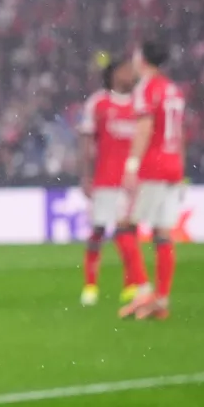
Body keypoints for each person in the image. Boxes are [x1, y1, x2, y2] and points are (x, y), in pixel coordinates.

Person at [121, 40, 187, 320]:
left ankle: (144, 291)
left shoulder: (146, 88)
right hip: (173, 166)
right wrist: (180, 168)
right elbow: (179, 132)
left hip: (154, 167)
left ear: (143, 59)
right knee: (162, 234)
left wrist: (132, 165)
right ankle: (160, 300)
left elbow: (145, 128)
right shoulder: (173, 90)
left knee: (125, 228)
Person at [75, 57, 143, 306]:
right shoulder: (98, 102)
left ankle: (130, 286)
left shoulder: (140, 103)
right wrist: (85, 175)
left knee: (129, 234)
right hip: (105, 180)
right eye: (125, 70)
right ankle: (90, 285)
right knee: (98, 231)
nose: (129, 74)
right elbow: (86, 141)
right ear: (113, 74)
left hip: (131, 182)